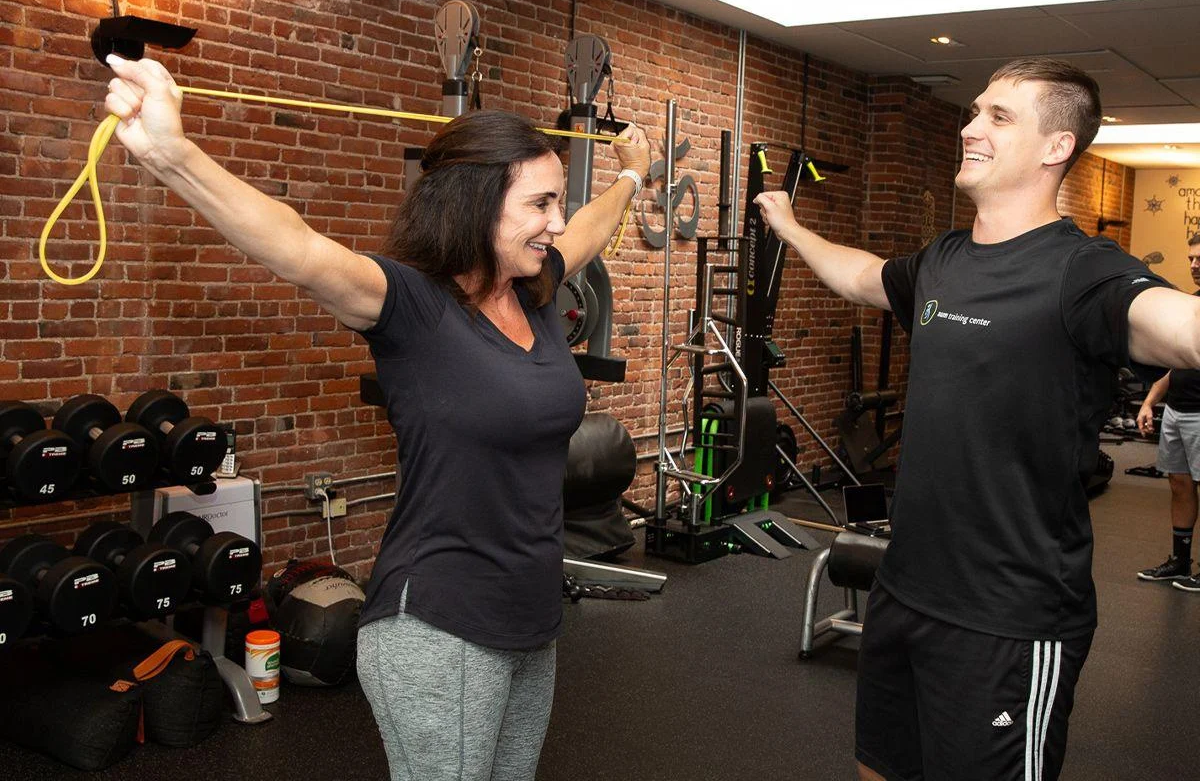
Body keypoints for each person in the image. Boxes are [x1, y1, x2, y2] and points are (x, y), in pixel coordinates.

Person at [102, 54, 651, 781]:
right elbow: (297, 249)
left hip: (531, 621)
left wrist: (632, 175)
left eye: (556, 204)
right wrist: (174, 156)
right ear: (479, 203)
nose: (554, 222)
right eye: (539, 203)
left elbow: (588, 227)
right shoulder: (412, 308)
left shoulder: (538, 289)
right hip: (439, 625)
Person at [756, 57, 1200, 781]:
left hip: (1010, 617)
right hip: (904, 590)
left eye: (999, 116)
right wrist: (791, 227)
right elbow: (862, 276)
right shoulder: (944, 260)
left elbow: (1180, 326)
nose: (970, 127)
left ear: (1056, 147)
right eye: (975, 111)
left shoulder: (1082, 272)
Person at [1136, 233, 1200, 590]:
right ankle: (1179, 560)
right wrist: (1150, 401)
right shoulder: (1191, 305)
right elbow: (1175, 367)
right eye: (1191, 258)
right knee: (1179, 485)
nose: (1194, 264)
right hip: (1178, 411)